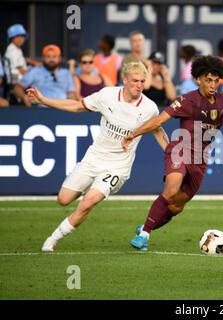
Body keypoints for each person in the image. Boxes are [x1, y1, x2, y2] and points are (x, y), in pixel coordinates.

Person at [121, 55, 223, 251]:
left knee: (176, 206)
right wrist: (133, 134)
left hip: (200, 159)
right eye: (208, 79)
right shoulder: (186, 100)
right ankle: (144, 235)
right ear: (198, 79)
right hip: (180, 151)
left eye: (216, 80)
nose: (213, 84)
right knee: (171, 190)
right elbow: (158, 121)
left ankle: (146, 227)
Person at [25, 62, 169, 252]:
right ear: (124, 80)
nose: (139, 85)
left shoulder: (149, 108)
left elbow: (158, 131)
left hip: (117, 167)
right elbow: (77, 106)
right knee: (63, 199)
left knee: (88, 202)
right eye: (135, 80)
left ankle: (51, 241)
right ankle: (89, 193)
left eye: (142, 81)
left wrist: (173, 155)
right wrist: (44, 100)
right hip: (93, 159)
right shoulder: (107, 95)